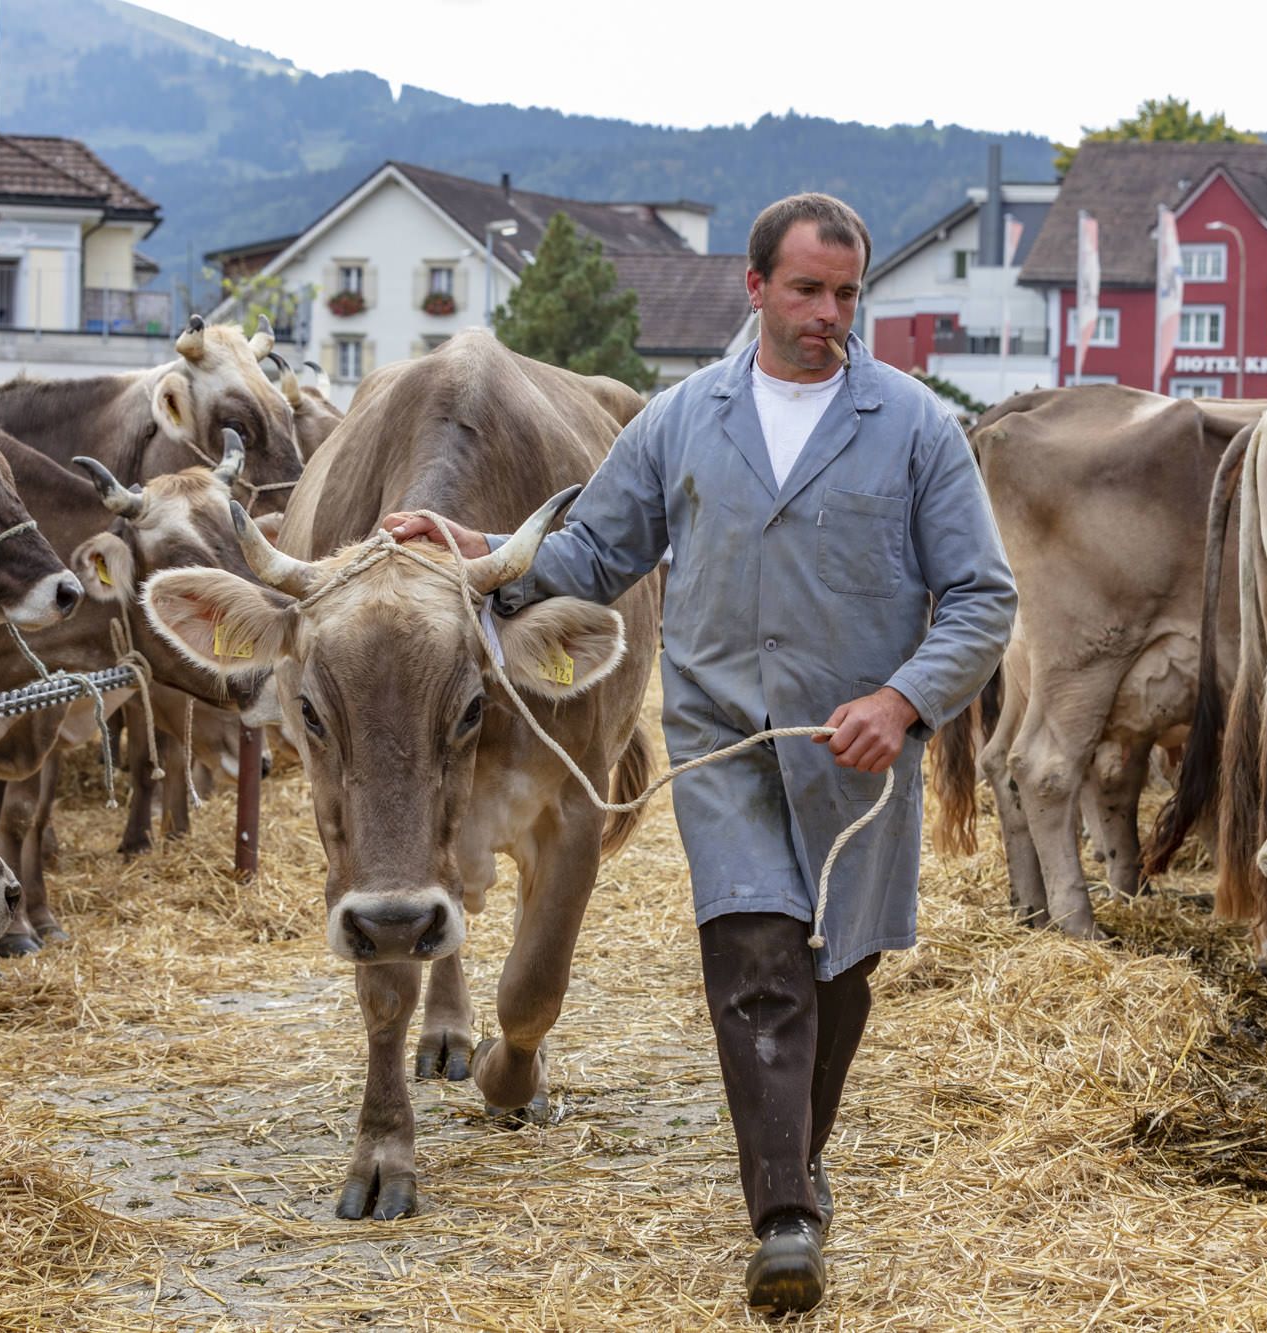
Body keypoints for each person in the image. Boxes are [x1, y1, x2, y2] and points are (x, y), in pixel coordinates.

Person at [384, 193, 1016, 1314]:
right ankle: (784, 1216)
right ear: (756, 287)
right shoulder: (681, 419)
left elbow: (981, 597)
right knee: (754, 956)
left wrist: (905, 700)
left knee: (837, 974)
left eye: (846, 294)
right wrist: (480, 550)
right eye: (806, 290)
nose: (828, 314)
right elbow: (592, 552)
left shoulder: (916, 426)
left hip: (856, 757)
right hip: (725, 740)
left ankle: (795, 1157)